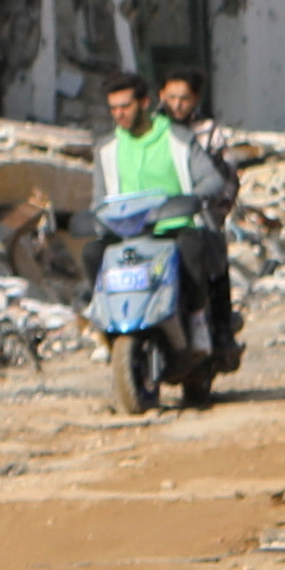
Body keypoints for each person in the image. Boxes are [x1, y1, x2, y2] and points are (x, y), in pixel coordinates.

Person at [98, 71, 243, 373]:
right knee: (92, 254)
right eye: (113, 108)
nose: (119, 114)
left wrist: (193, 202)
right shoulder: (107, 148)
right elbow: (99, 200)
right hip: (130, 233)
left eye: (125, 106)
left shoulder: (183, 137)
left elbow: (217, 180)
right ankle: (101, 324)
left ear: (145, 103)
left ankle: (199, 320)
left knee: (196, 250)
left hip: (178, 226)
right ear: (161, 96)